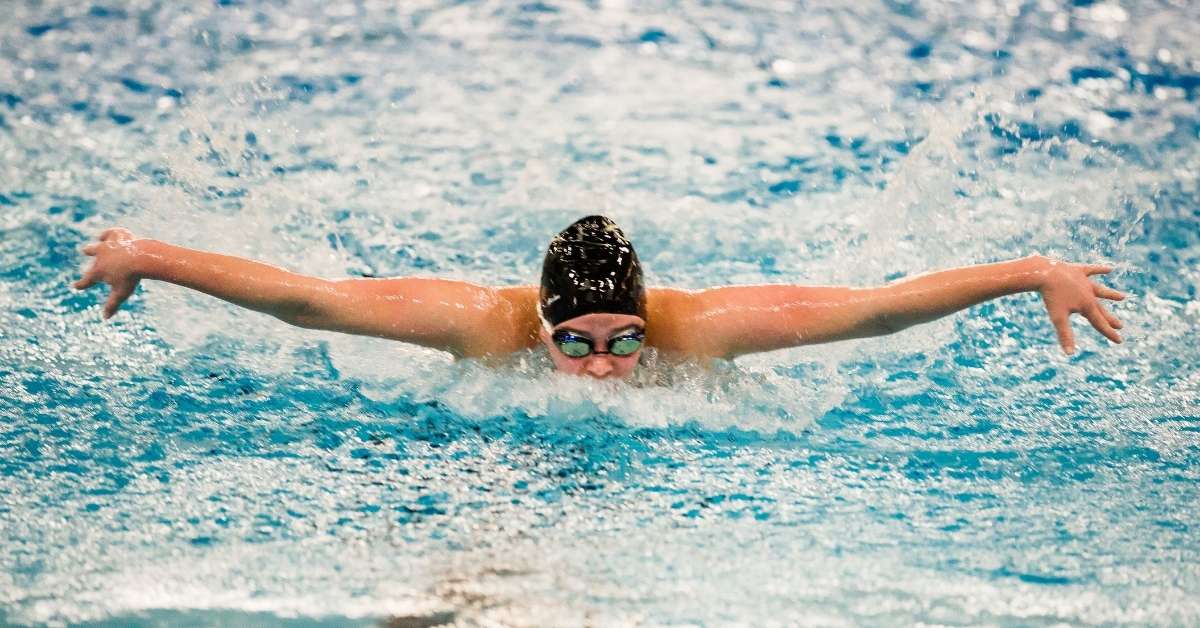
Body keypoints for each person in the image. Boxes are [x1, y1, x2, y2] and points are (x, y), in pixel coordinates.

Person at [73, 215, 1125, 380]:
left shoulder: (699, 329)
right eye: (575, 347)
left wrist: (1034, 271)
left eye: (624, 339)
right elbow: (312, 302)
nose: (612, 367)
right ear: (537, 323)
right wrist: (151, 254)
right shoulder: (479, 328)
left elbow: (873, 307)